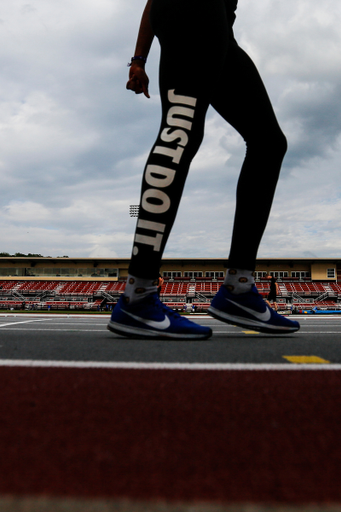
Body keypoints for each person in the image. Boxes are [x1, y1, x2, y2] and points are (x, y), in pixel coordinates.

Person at [108, 0, 300, 339]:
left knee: (268, 142)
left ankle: (239, 288)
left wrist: (138, 59)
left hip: (217, 27)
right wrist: (139, 58)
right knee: (180, 131)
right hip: (193, 10)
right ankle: (137, 295)